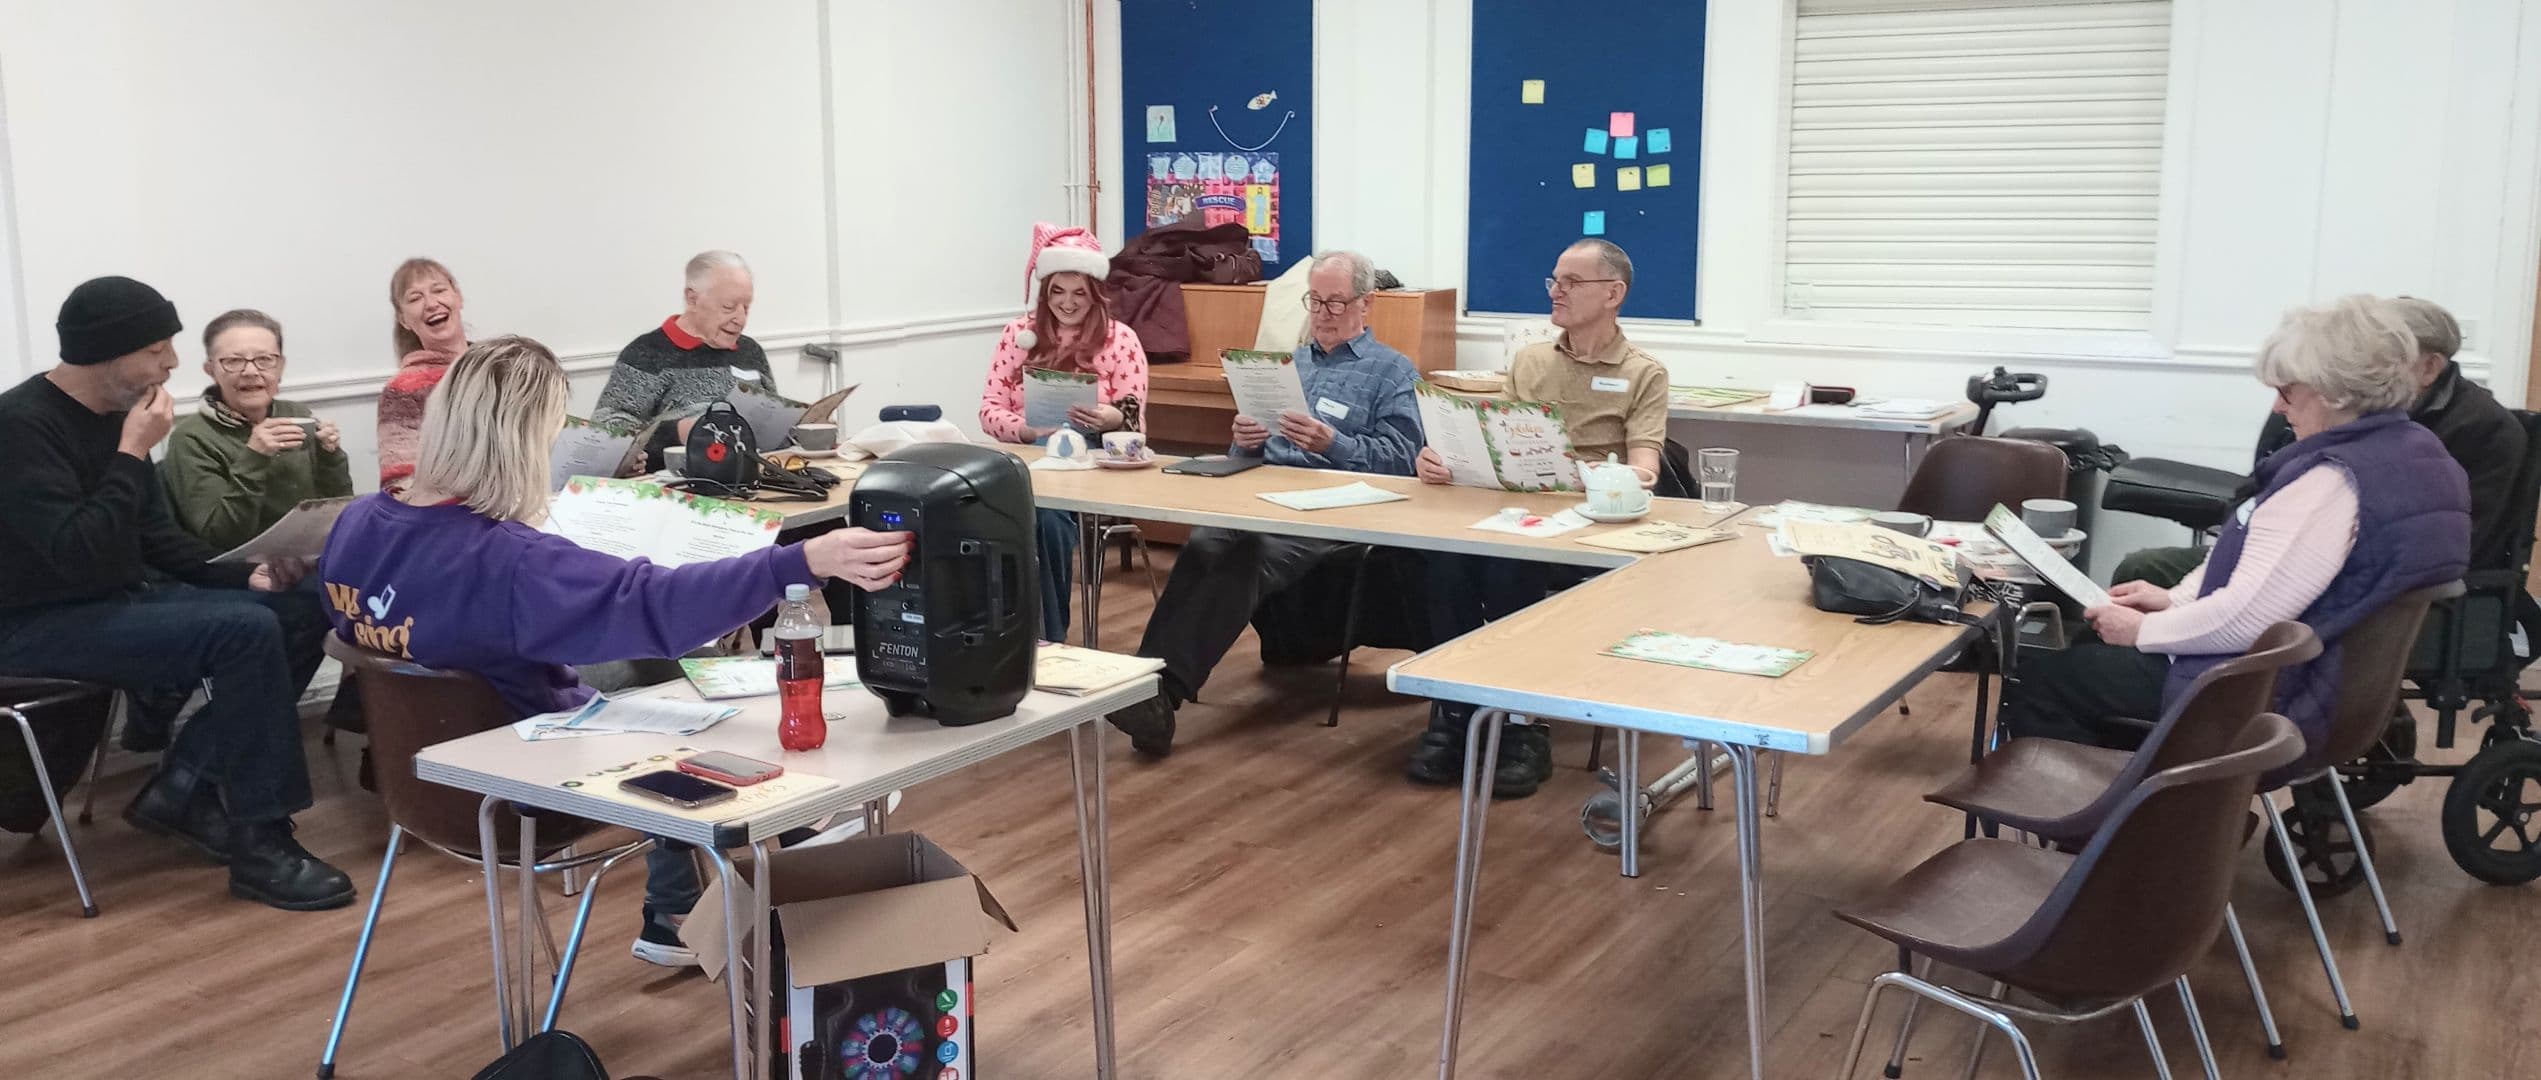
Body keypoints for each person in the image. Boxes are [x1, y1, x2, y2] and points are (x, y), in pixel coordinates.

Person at [320, 336, 913, 966]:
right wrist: (803, 560)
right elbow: (657, 607)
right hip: (527, 782)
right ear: (521, 441)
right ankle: (779, 845)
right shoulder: (508, 562)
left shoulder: (357, 525)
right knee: (689, 691)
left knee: (648, 681)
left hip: (422, 780)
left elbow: (343, 615)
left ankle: (678, 907)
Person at [0, 276, 353, 910]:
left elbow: (158, 541)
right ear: (110, 352)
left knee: (301, 606)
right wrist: (133, 453)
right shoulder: (19, 427)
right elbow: (75, 553)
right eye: (157, 348)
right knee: (242, 632)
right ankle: (261, 845)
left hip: (113, 603)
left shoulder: (114, 417)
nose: (168, 364)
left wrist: (247, 574)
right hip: (32, 624)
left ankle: (185, 786)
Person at [2001, 296, 2472, 759]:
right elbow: (2268, 582)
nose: (2279, 407)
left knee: (2041, 678)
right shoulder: (2417, 453)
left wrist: (2144, 630)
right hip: (2331, 687)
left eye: (2288, 390)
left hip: (2263, 693)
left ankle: (2140, 826)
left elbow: (2247, 621)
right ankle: (2163, 809)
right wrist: (2172, 601)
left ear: (2336, 391)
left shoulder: (2332, 484)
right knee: (2090, 650)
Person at [1099, 250, 1421, 756]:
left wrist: (1330, 443)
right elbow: (1249, 450)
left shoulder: (1393, 372)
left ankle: (1160, 691)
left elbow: (1404, 461)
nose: (1323, 314)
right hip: (1263, 494)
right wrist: (1245, 439)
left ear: (1367, 304)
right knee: (1207, 538)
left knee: (1247, 552)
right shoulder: (1288, 364)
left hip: (1337, 508)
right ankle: (1154, 686)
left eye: (1336, 303)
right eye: (1315, 301)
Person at [1411, 239, 1670, 798]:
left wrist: (1598, 473)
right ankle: (1453, 711)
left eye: (1571, 282)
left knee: (1513, 573)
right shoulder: (1531, 360)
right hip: (1516, 509)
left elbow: (1647, 468)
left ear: (1612, 294)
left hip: (1583, 523)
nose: (1556, 291)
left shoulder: (1643, 372)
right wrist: (1445, 460)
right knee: (1444, 559)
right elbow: (1497, 442)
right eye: (1554, 279)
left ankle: (1522, 725)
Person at [2115, 296, 2525, 585]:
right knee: (2142, 574)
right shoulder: (2344, 404)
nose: (2374, 366)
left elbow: (2456, 546)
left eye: (2391, 355)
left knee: (2148, 576)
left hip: (2344, 572)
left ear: (2430, 366)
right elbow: (2266, 481)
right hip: (2291, 551)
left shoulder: (2479, 430)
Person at [979, 223, 1147, 642]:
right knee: (1023, 514)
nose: (1068, 303)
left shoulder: (1120, 339)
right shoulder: (1017, 336)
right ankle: (1013, 633)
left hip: (1091, 461)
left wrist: (1108, 418)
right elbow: (988, 410)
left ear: (1095, 292)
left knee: (1044, 519)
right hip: (1028, 458)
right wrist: (1023, 428)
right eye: (1058, 292)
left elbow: (1135, 424)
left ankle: (1046, 638)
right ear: (1044, 291)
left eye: (1079, 292)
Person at [162, 309, 355, 551]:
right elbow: (219, 535)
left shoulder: (297, 415)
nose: (251, 371)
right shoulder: (191, 438)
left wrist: (330, 456)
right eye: (233, 361)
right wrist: (255, 456)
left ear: (280, 367)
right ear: (210, 371)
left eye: (265, 359)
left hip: (310, 556)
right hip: (244, 572)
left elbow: (339, 507)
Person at [593, 250, 776, 471]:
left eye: (746, 307)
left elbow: (772, 419)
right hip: (677, 484)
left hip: (753, 477)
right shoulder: (647, 354)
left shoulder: (750, 351)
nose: (740, 319)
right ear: (692, 298)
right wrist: (676, 433)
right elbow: (606, 431)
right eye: (728, 307)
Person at [376, 257, 468, 490]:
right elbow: (398, 484)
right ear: (403, 319)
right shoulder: (402, 390)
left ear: (458, 297)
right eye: (415, 298)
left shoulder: (499, 367)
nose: (431, 303)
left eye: (439, 290)